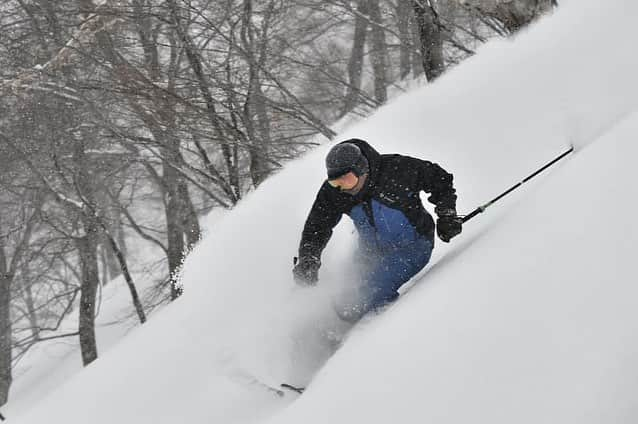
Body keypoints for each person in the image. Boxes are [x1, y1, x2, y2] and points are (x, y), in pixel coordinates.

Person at [293, 138, 462, 322]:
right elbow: (317, 226)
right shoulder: (336, 192)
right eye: (336, 183)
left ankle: (365, 331)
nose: (343, 188)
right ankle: (323, 329)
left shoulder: (397, 170)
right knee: (342, 294)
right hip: (370, 252)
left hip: (413, 246)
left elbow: (440, 180)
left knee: (363, 298)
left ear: (362, 168)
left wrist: (447, 215)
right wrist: (308, 258)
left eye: (348, 180)